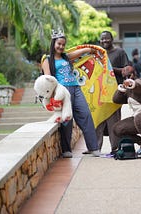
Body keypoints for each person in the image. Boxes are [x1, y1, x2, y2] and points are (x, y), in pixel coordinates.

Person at [41, 29, 100, 158]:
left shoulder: (66, 57)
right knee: (67, 120)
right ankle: (66, 150)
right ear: (53, 43)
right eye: (59, 44)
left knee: (85, 115)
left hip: (76, 88)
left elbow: (81, 51)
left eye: (63, 44)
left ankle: (93, 147)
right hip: (62, 91)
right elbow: (48, 79)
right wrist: (53, 97)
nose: (61, 47)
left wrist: (91, 49)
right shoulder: (47, 59)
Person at [91, 31, 129, 154]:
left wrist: (110, 70)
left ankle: (115, 148)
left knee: (114, 121)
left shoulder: (120, 52)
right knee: (98, 120)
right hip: (99, 93)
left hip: (114, 93)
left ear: (112, 39)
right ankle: (95, 148)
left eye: (107, 39)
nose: (104, 41)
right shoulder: (98, 54)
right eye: (102, 39)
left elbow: (126, 71)